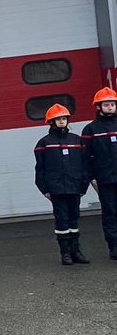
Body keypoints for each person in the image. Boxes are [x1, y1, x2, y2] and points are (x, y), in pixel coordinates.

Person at [35, 104, 91, 265]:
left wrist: (83, 186)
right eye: (58, 119)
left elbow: (84, 165)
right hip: (56, 189)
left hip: (74, 187)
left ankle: (76, 252)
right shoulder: (44, 143)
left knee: (74, 220)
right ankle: (65, 253)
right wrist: (45, 189)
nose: (62, 121)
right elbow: (40, 169)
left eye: (64, 118)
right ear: (51, 122)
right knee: (61, 221)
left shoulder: (76, 140)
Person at [83, 87, 117, 259]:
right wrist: (92, 178)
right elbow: (86, 157)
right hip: (104, 179)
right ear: (98, 107)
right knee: (110, 212)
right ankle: (114, 247)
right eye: (106, 104)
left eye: (112, 104)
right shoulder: (91, 129)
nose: (110, 107)